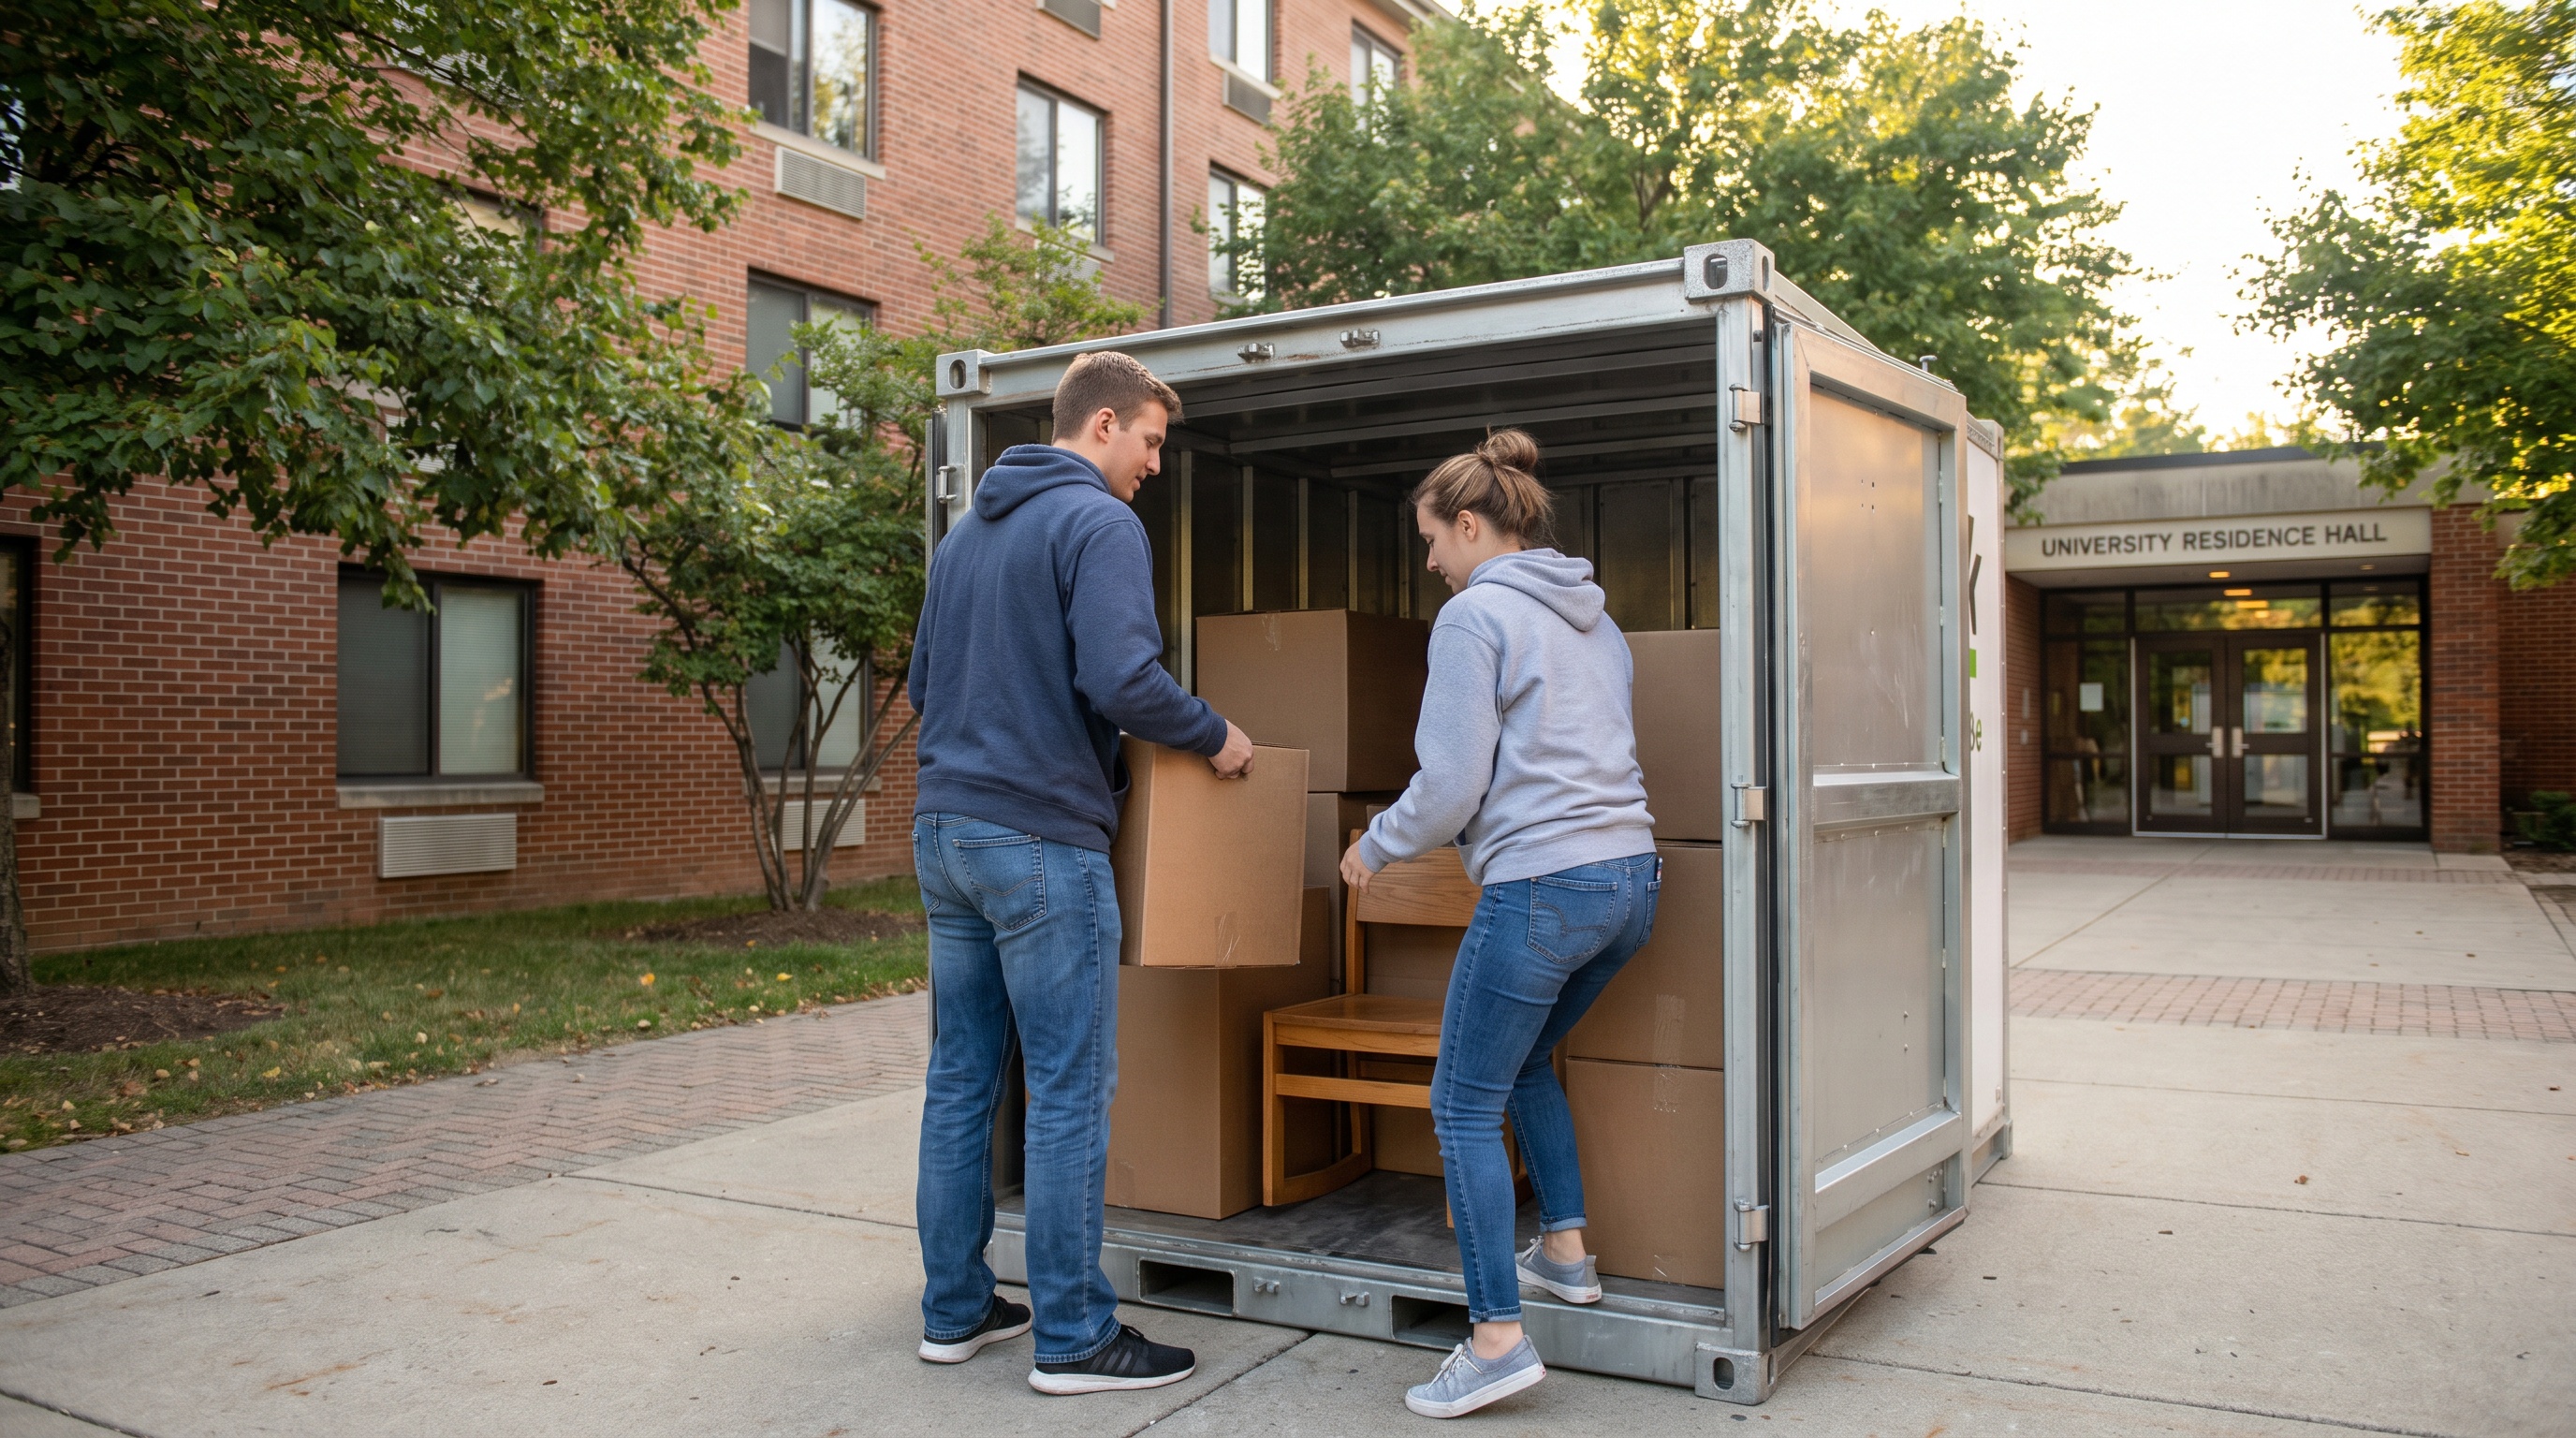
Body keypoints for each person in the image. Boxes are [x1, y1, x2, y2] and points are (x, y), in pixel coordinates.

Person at [907, 350, 1255, 1395]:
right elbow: (1120, 678)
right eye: (1150, 441)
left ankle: (956, 1310)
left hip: (944, 835)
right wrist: (1215, 736)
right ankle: (1072, 1335)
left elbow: (925, 683)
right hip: (1041, 845)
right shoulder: (1099, 523)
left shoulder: (967, 533)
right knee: (1066, 1088)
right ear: (1102, 424)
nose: (1155, 464)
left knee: (961, 1079)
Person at [1339, 429, 1659, 1420]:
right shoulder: (1596, 623)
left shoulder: (1475, 617)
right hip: (1631, 881)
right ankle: (1562, 1253)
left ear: (1471, 525)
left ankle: (1495, 1340)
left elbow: (1449, 785)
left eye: (1433, 539)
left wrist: (1374, 847)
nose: (1429, 562)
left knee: (1460, 1104)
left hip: (1543, 888)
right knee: (1517, 1068)